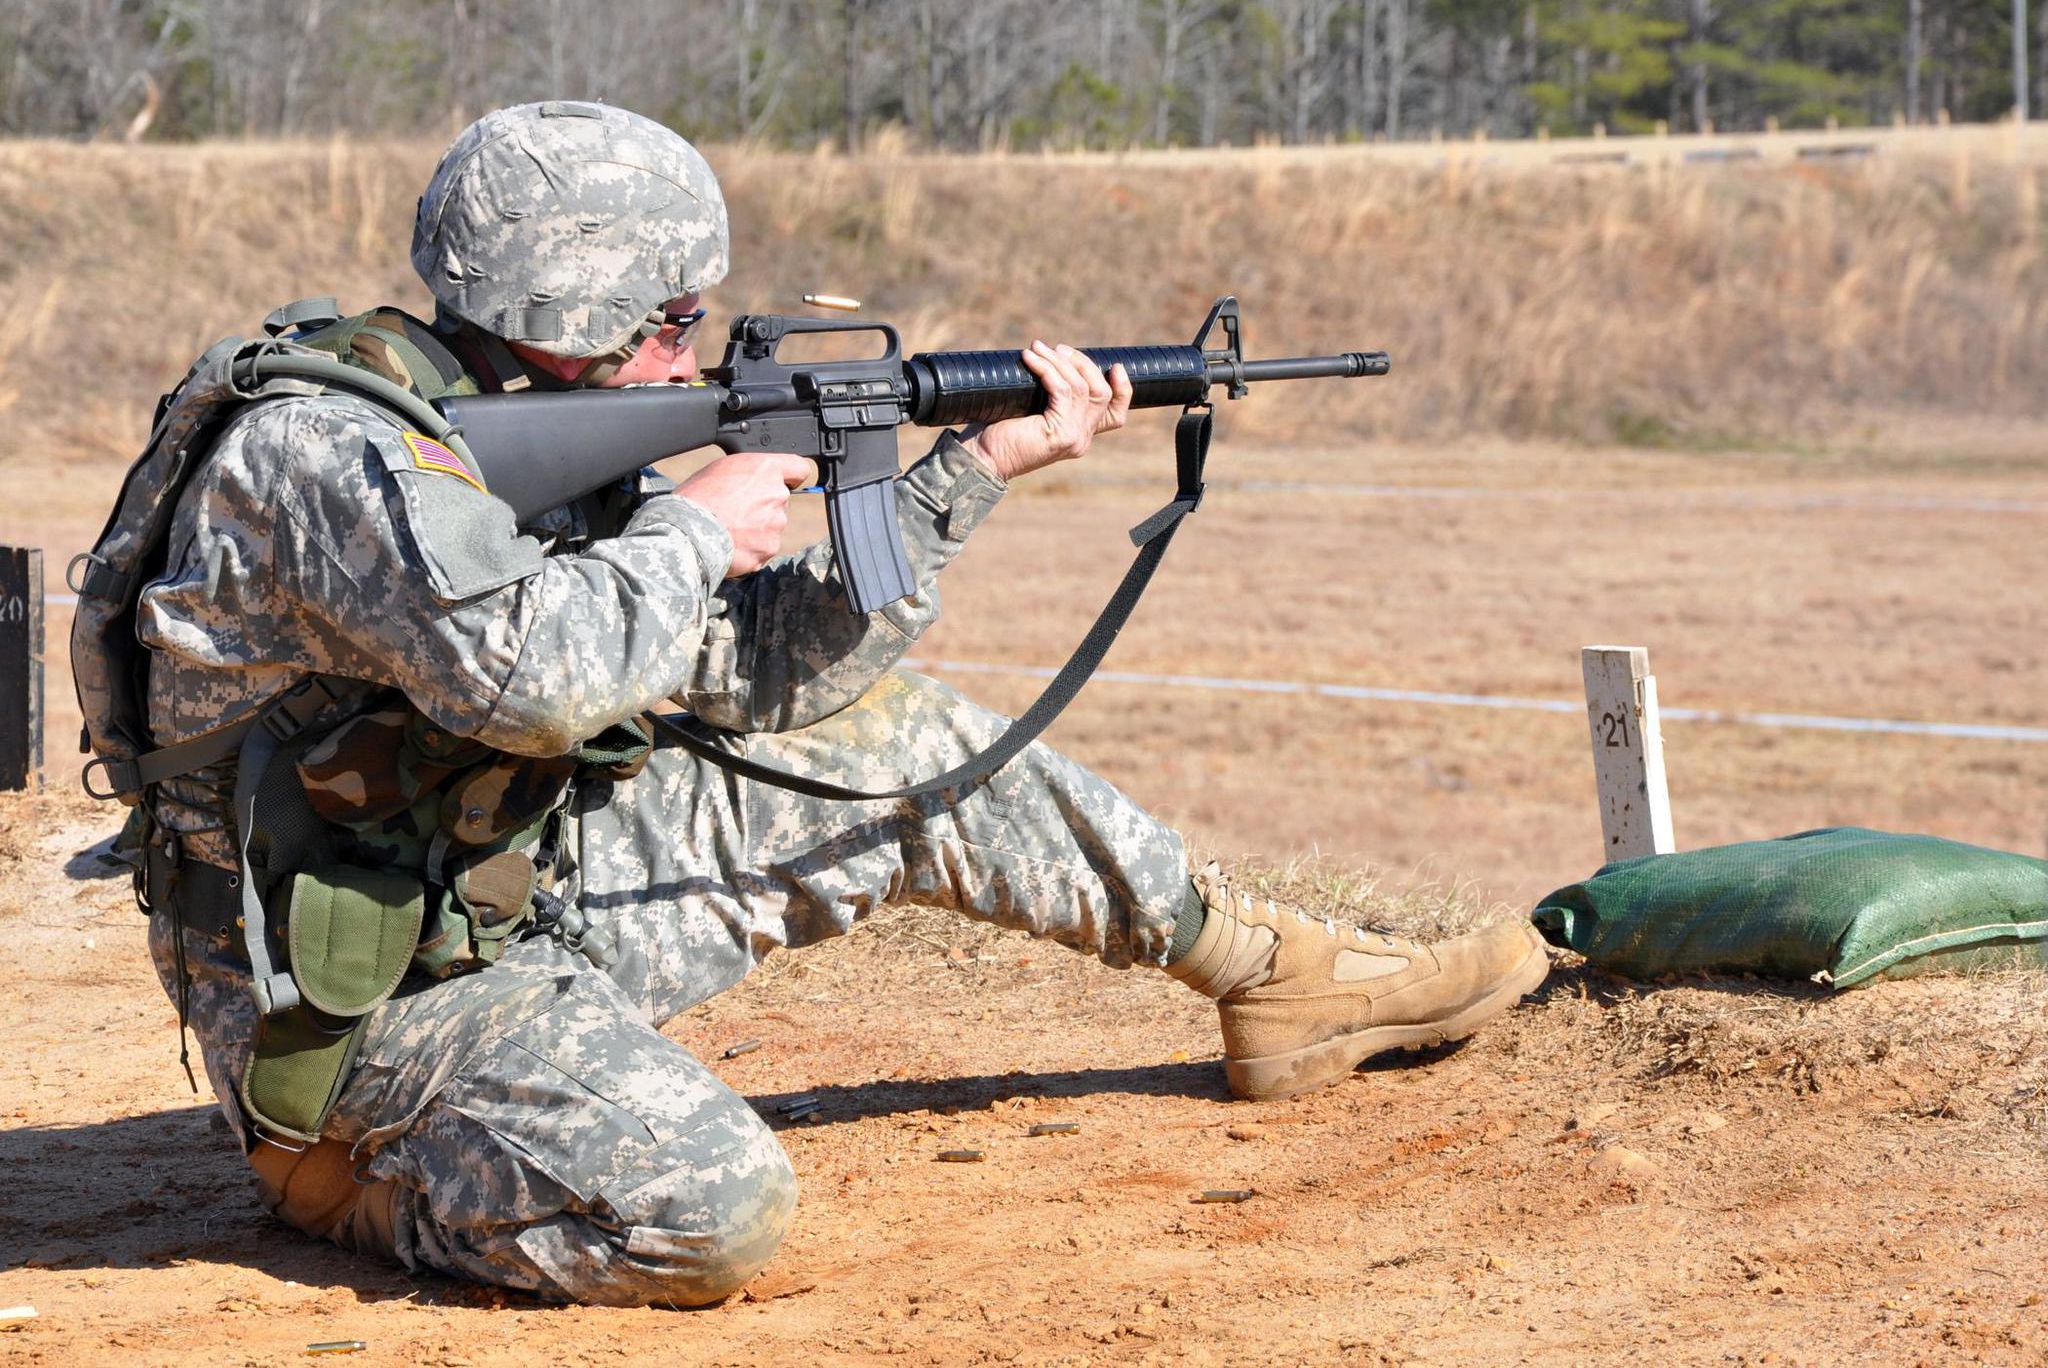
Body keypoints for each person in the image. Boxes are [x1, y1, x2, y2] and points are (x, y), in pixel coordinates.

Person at [128, 101, 1549, 1307]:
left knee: (897, 746)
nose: (692, 352)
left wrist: (966, 475)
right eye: (671, 320)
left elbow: (758, 676)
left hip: (490, 890)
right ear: (575, 312)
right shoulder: (326, 456)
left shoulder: (517, 444)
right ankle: (352, 1185)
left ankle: (1267, 970)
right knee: (711, 1210)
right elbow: (538, 675)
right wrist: (694, 528)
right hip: (341, 1004)